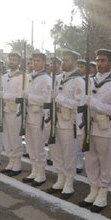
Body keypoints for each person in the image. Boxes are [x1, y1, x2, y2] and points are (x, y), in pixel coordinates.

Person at [78, 49, 111, 212]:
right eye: (97, 61)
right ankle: (93, 190)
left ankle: (103, 192)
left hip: (104, 127)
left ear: (110, 63)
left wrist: (94, 103)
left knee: (105, 161)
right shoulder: (88, 81)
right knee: (90, 160)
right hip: (88, 126)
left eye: (103, 61)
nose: (99, 64)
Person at [47, 49, 85, 199]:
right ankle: (60, 178)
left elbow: (79, 104)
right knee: (56, 151)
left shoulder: (79, 81)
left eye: (67, 60)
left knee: (69, 153)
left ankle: (69, 181)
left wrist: (60, 99)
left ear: (75, 62)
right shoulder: (58, 78)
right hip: (56, 120)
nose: (64, 63)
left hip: (69, 122)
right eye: (62, 60)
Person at [22, 51, 51, 185]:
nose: (35, 63)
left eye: (38, 60)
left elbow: (46, 99)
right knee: (30, 145)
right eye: (34, 61)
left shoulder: (46, 79)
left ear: (44, 63)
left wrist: (29, 97)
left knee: (38, 145)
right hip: (28, 114)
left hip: (38, 115)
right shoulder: (29, 77)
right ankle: (34, 170)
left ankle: (41, 173)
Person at [1, 51, 25, 176]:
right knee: (7, 138)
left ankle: (17, 164)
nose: (11, 61)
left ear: (19, 62)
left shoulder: (22, 77)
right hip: (5, 110)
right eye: (10, 59)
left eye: (14, 60)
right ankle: (11, 161)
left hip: (15, 110)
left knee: (15, 138)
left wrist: (6, 95)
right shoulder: (4, 76)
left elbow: (21, 95)